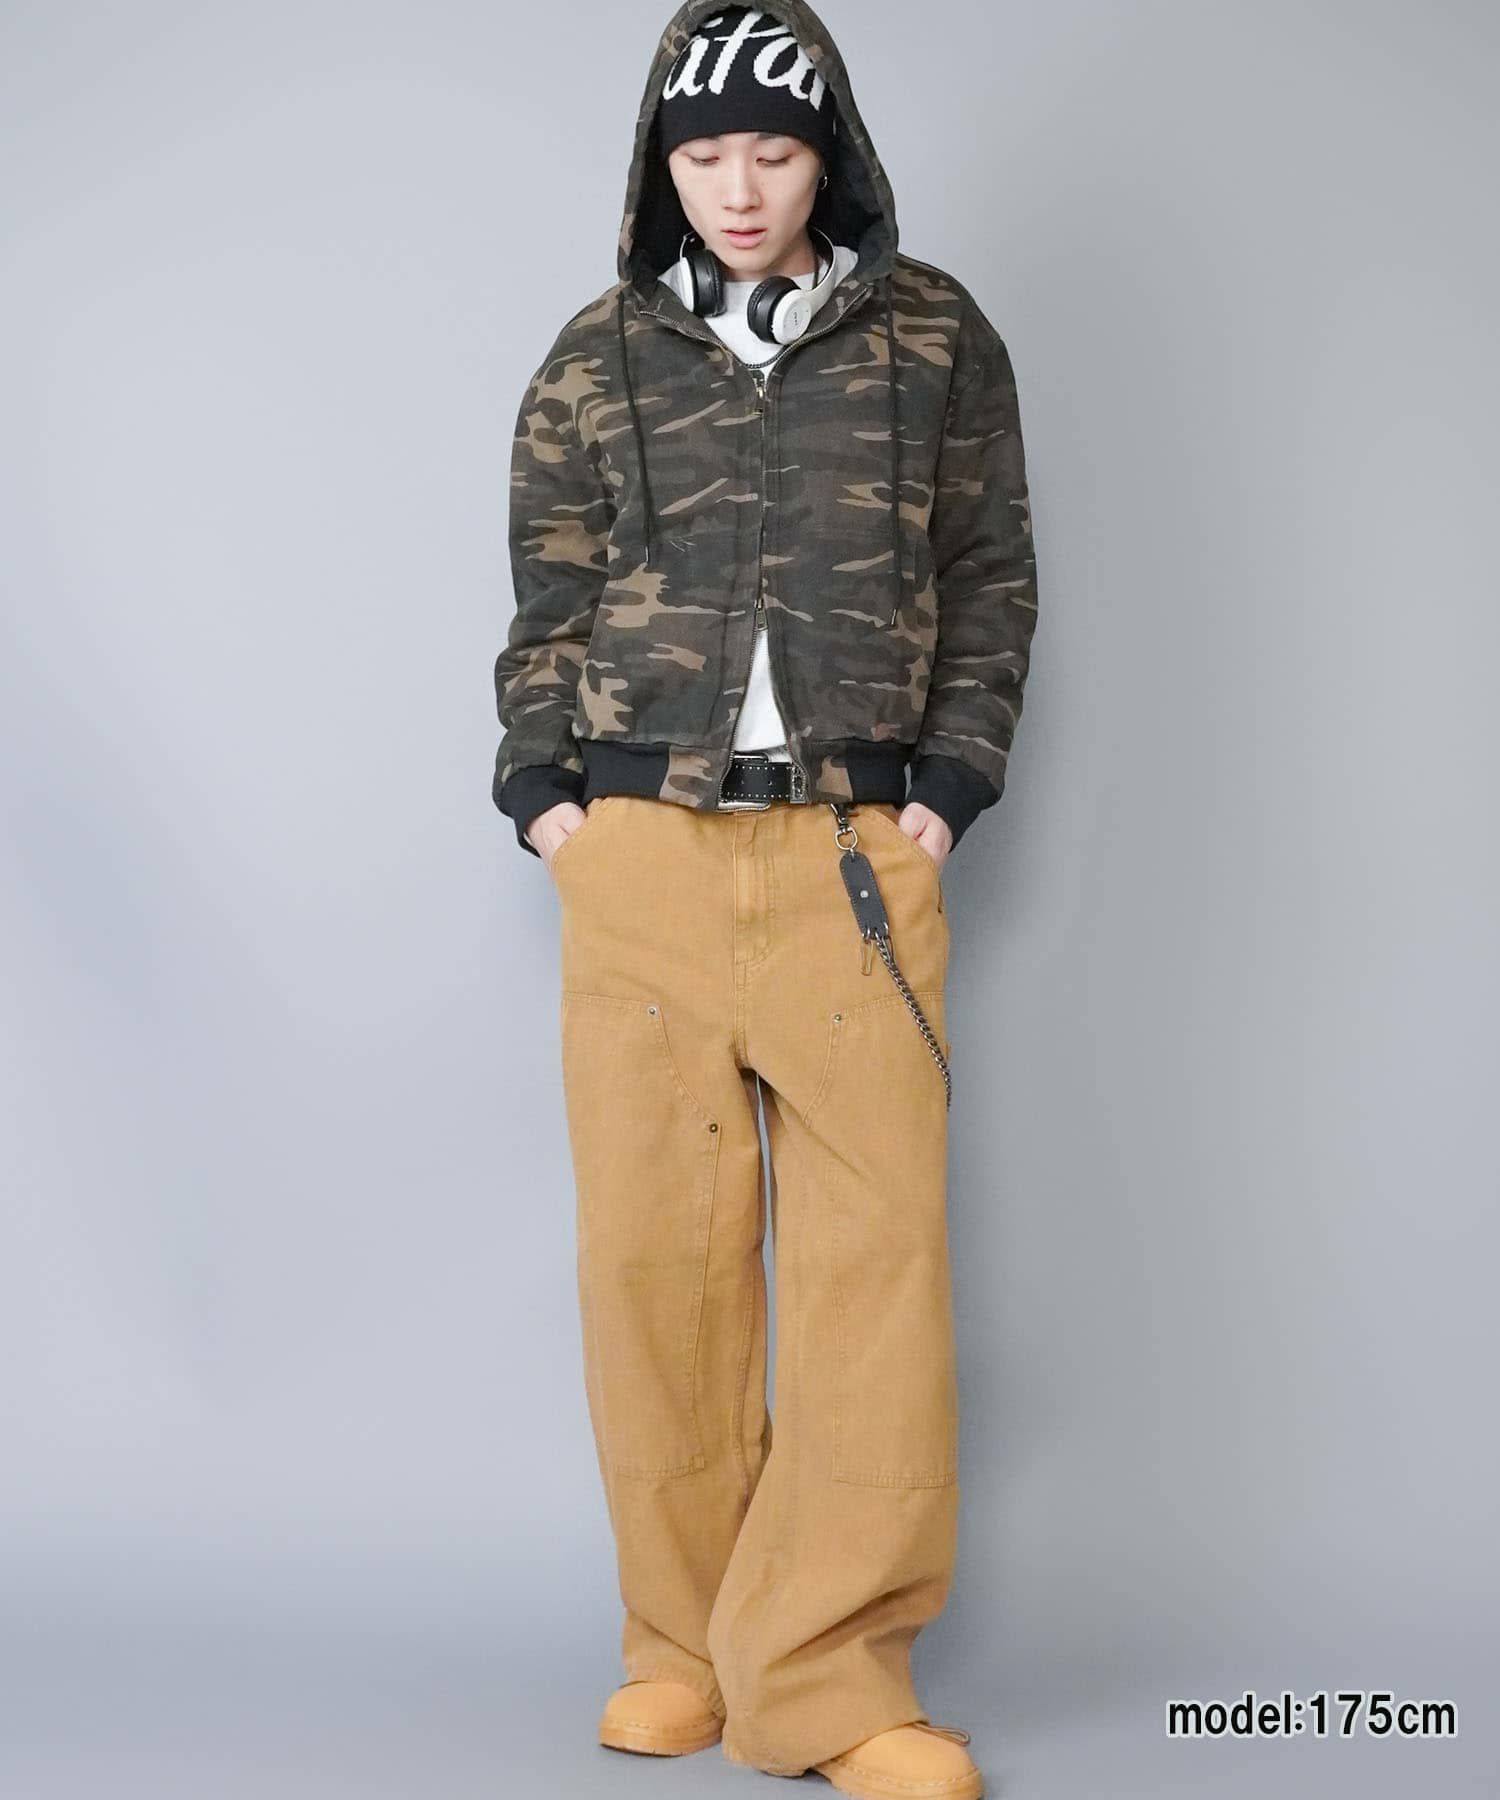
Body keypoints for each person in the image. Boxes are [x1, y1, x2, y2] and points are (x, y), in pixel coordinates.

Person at [491, 4, 1038, 1795]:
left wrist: (947, 791)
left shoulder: (933, 337)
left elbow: (990, 569)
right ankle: (683, 1649)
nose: (739, 189)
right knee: (656, 1269)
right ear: (663, 161)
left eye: (776, 152)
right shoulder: (596, 356)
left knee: (876, 1273)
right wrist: (548, 807)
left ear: (833, 156)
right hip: (639, 856)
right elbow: (546, 596)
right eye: (706, 153)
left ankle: (833, 1681)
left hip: (852, 864)